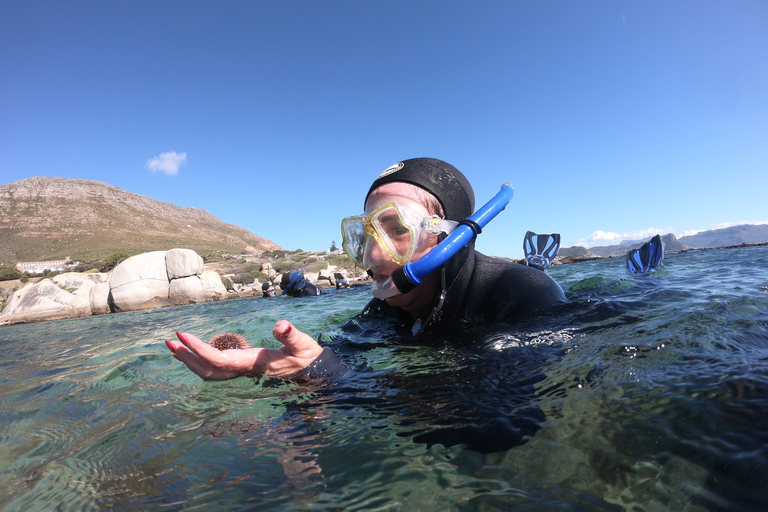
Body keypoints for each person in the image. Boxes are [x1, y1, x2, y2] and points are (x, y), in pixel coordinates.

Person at [165, 158, 566, 380]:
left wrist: (328, 374)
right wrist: (283, 380)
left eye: (397, 231)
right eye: (366, 237)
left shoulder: (524, 296)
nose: (374, 257)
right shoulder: (386, 309)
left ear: (447, 238)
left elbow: (502, 428)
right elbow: (330, 360)